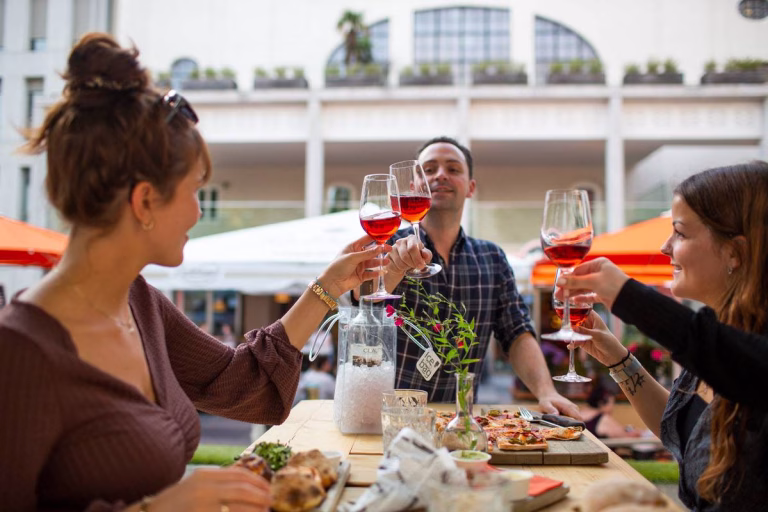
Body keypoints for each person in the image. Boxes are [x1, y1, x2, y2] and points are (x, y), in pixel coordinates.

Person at [0, 33, 386, 512]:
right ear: (145, 202)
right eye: (194, 191)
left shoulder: (139, 302)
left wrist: (328, 288)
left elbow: (240, 383)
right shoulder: (20, 350)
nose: (199, 212)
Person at [558, 161, 768, 511]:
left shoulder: (731, 352)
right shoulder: (714, 339)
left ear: (736, 252)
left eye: (680, 233)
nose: (665, 247)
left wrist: (628, 296)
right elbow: (680, 430)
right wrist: (617, 359)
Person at [381, 136, 579, 417]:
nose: (440, 175)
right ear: (412, 186)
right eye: (429, 169)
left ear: (471, 187)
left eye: (453, 169)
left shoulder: (492, 258)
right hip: (387, 417)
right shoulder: (387, 245)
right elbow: (360, 303)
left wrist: (546, 392)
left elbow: (517, 332)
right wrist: (392, 270)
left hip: (458, 421)